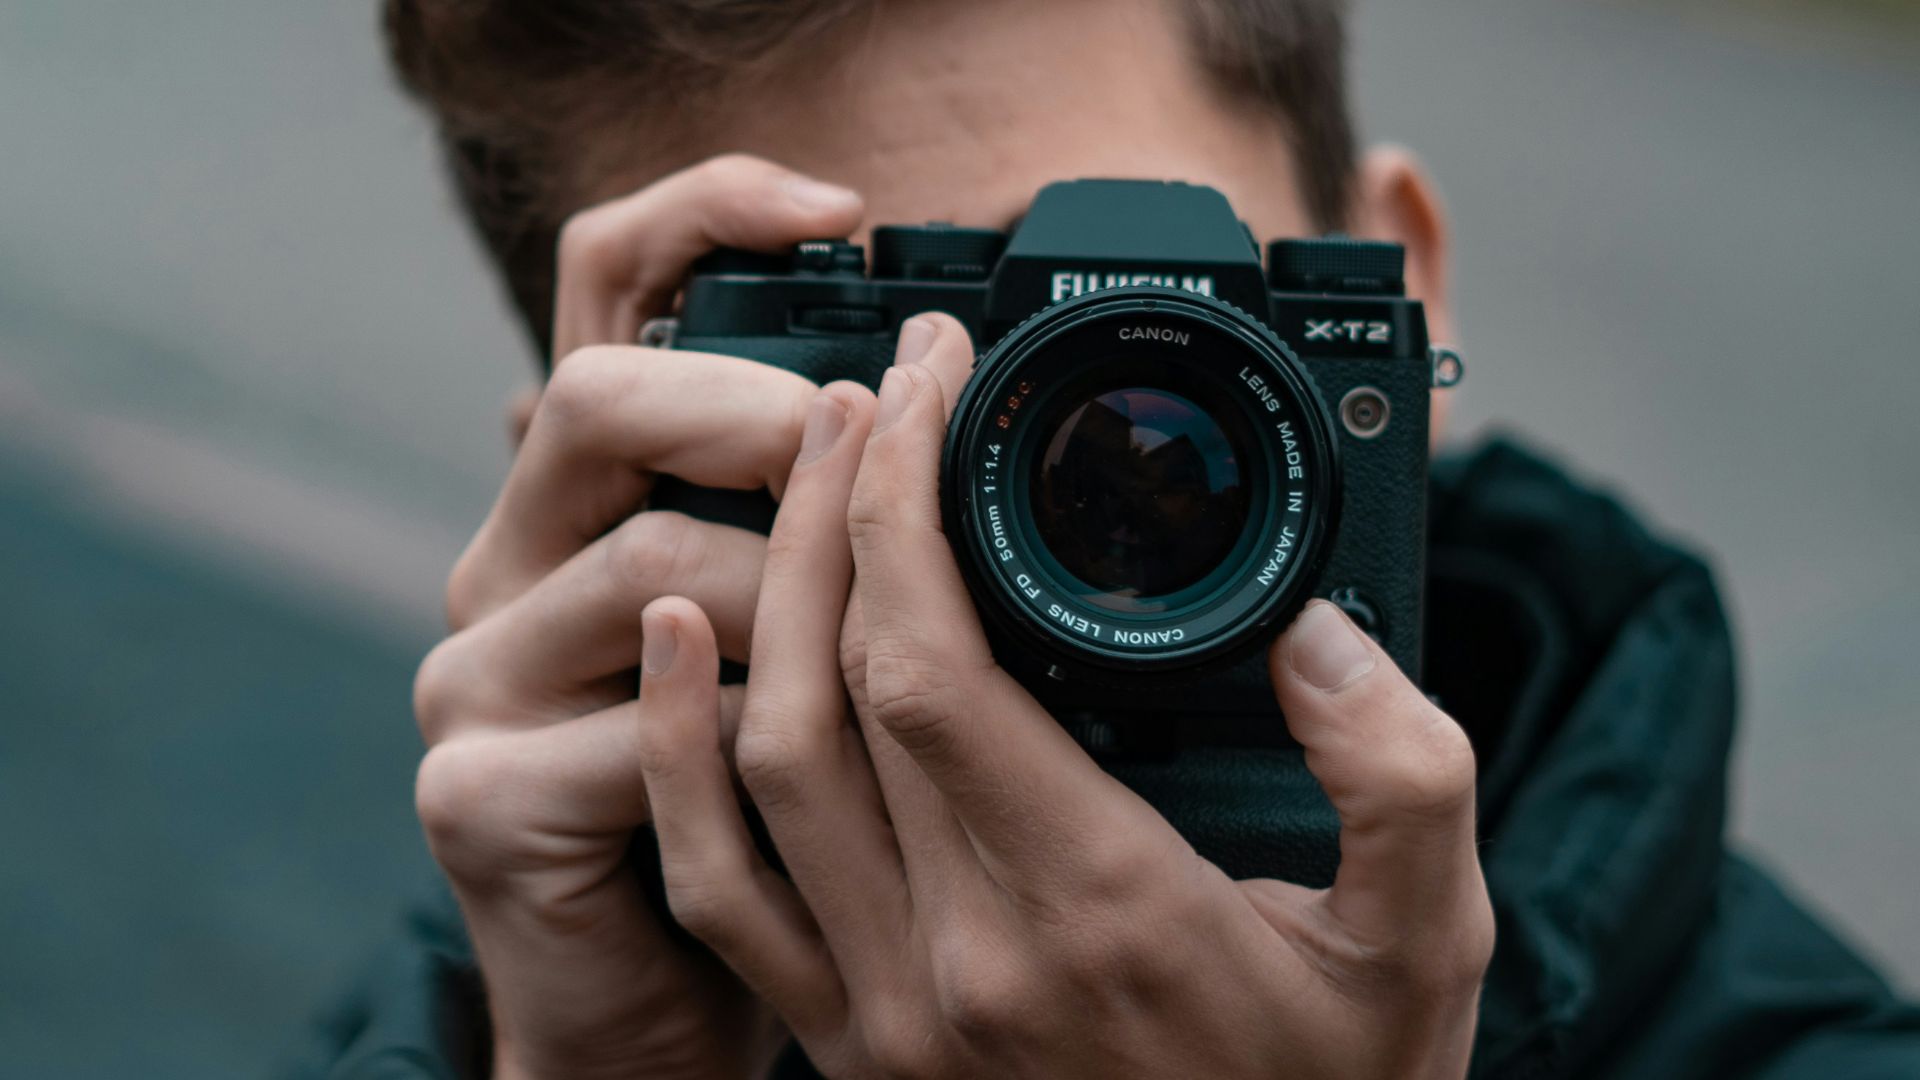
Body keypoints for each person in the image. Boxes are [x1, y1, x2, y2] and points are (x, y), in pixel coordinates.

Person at [293, 0, 1920, 1076]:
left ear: (1388, 297)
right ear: (604, 468)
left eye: (1143, 334)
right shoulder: (514, 1004)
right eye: (877, 356)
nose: (1050, 490)